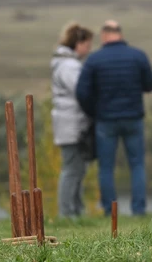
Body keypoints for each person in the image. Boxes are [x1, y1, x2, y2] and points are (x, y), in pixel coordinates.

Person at [76, 20, 152, 217]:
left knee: (106, 167)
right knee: (137, 164)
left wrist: (93, 111)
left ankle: (109, 211)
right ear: (120, 33)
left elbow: (82, 92)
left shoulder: (95, 60)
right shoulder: (138, 56)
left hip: (106, 120)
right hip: (133, 118)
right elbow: (150, 84)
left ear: (104, 35)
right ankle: (139, 210)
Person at [50, 22, 94, 218]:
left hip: (69, 123)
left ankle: (75, 210)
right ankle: (67, 213)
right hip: (71, 124)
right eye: (87, 44)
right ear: (78, 43)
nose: (89, 49)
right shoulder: (69, 66)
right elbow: (81, 91)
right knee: (71, 170)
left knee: (77, 170)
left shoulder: (64, 64)